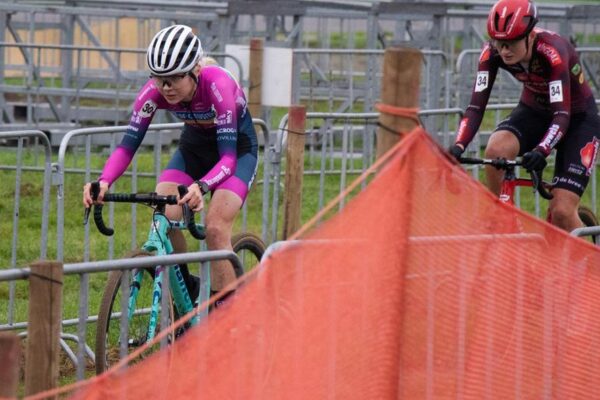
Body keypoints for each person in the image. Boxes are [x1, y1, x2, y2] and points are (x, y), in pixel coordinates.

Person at [83, 24, 258, 302]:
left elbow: (227, 159)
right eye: (158, 78)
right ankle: (187, 293)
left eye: (174, 79)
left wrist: (201, 186)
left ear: (195, 71)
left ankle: (225, 312)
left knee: (214, 227)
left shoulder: (218, 86)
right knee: (164, 214)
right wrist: (103, 181)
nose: (165, 88)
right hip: (193, 150)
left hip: (236, 151)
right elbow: (128, 146)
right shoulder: (152, 94)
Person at [448, 0, 600, 233]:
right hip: (535, 111)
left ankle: (589, 265)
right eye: (500, 43)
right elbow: (475, 108)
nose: (504, 50)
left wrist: (541, 150)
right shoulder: (491, 53)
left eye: (511, 43)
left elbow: (562, 113)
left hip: (578, 118)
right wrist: (458, 146)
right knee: (495, 149)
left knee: (561, 212)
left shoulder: (552, 51)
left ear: (530, 36)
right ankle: (505, 222)